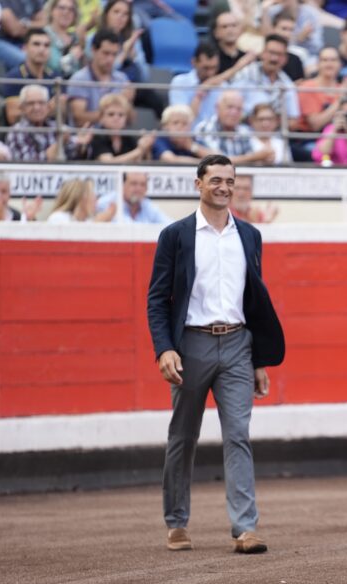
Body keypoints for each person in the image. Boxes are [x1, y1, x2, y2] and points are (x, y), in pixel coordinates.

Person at [147, 154, 285, 554]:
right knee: (183, 434)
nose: (224, 187)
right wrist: (164, 348)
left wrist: (259, 360)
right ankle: (176, 521)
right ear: (199, 184)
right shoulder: (175, 235)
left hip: (239, 344)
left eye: (229, 180)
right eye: (215, 180)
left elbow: (253, 302)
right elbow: (157, 298)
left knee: (238, 434)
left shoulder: (250, 235)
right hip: (191, 345)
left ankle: (245, 527)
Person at [67, 28, 134, 126]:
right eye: (106, 53)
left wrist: (127, 103)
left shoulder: (122, 78)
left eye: (114, 54)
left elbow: (130, 121)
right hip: (89, 134)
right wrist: (114, 107)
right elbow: (79, 120)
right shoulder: (79, 79)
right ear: (93, 50)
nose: (110, 59)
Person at [7, 83, 92, 160]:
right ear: (22, 108)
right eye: (31, 103)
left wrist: (81, 145)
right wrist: (59, 144)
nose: (36, 108)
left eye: (41, 103)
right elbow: (27, 163)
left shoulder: (56, 127)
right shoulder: (16, 132)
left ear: (48, 107)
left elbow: (75, 155)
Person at [231, 34, 301, 127]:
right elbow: (230, 105)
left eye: (279, 54)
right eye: (271, 53)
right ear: (262, 53)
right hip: (244, 129)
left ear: (285, 59)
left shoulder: (287, 84)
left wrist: (270, 124)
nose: (274, 58)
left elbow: (293, 120)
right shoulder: (246, 74)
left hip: (275, 133)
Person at [194, 90, 276, 166]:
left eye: (239, 109)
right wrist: (255, 157)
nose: (234, 112)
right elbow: (218, 162)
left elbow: (251, 164)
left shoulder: (244, 132)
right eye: (230, 107)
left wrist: (264, 159)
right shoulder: (204, 129)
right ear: (217, 107)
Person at [3, 27, 56, 125]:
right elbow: (13, 117)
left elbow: (62, 111)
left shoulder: (55, 76)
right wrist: (49, 107)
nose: (42, 49)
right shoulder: (14, 77)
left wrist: (29, 108)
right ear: (25, 48)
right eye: (36, 44)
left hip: (51, 130)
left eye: (46, 45)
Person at [88, 93, 154, 162]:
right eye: (111, 114)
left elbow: (139, 162)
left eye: (121, 115)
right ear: (101, 118)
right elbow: (108, 163)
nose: (116, 118)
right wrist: (139, 150)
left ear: (126, 118)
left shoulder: (129, 137)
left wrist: (146, 148)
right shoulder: (97, 136)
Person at [0, 0, 47, 71]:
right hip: (0, 41)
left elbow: (43, 24)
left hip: (26, 42)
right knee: (28, 61)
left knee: (50, 58)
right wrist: (33, 25)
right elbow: (14, 30)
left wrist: (25, 24)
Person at [96, 172, 171, 223]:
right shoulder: (107, 202)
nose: (138, 189)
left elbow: (168, 224)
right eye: (134, 184)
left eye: (142, 185)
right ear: (122, 185)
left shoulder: (147, 205)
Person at [153, 105, 217, 163]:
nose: (180, 127)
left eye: (185, 123)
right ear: (165, 126)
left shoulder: (193, 139)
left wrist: (191, 147)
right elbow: (170, 159)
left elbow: (217, 159)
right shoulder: (160, 139)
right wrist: (204, 163)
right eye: (175, 123)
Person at [47, 178, 115, 223]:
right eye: (91, 194)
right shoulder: (58, 217)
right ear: (82, 199)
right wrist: (96, 223)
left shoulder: (88, 221)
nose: (96, 199)